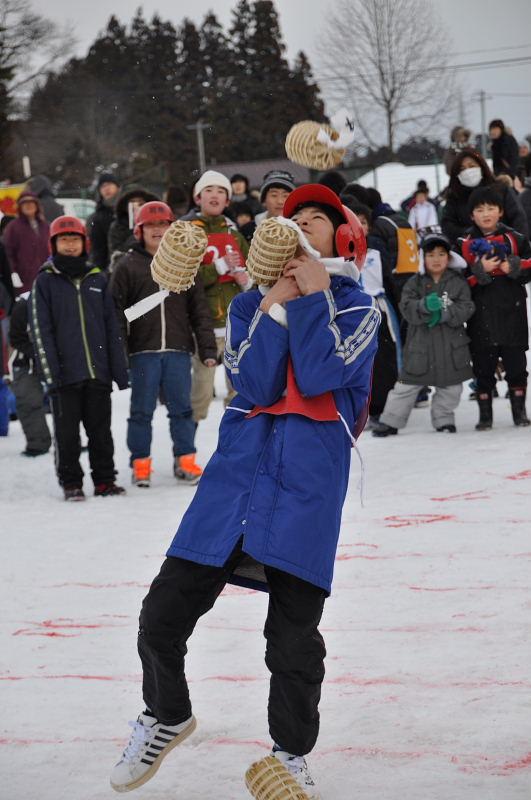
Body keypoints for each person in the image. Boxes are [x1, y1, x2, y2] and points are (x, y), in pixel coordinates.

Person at [110, 183, 379, 799]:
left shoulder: (359, 308)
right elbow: (254, 384)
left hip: (306, 490)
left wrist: (308, 299)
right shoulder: (247, 306)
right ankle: (167, 714)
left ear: (343, 239)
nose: (300, 229)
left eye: (315, 221)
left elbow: (320, 373)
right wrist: (275, 302)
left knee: (291, 642)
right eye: (293, 220)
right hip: (235, 482)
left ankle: (291, 756)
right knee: (161, 614)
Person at [110, 201, 217, 487]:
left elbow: (199, 311)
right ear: (139, 230)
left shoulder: (186, 264)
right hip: (142, 352)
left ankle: (185, 459)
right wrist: (119, 352)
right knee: (141, 411)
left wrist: (207, 349)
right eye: (151, 226)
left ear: (172, 229)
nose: (157, 230)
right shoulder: (127, 266)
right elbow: (115, 313)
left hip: (177, 351)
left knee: (182, 409)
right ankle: (140, 463)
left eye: (163, 224)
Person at [30, 215, 128, 501]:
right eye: (64, 240)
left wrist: (118, 371)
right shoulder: (45, 282)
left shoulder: (97, 278)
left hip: (97, 373)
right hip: (64, 376)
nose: (70, 245)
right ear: (54, 244)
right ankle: (71, 481)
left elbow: (112, 326)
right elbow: (40, 330)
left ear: (84, 243)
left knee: (101, 432)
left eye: (74, 239)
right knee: (67, 435)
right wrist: (51, 373)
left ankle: (105, 480)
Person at [372, 233, 474, 437]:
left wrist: (445, 313)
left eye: (441, 254)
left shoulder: (457, 283)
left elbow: (467, 307)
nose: (436, 259)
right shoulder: (414, 283)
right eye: (431, 254)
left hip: (451, 347)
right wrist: (424, 305)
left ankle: (444, 419)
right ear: (422, 257)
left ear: (449, 257)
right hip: (420, 347)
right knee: (405, 387)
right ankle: (391, 420)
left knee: (451, 387)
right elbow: (406, 307)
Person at [456, 186, 531, 430]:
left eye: (491, 208)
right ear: (472, 215)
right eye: (480, 209)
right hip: (480, 315)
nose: (486, 213)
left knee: (517, 366)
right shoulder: (463, 243)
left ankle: (519, 413)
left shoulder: (515, 239)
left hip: (513, 311)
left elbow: (529, 268)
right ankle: (485, 416)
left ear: (500, 212)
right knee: (483, 368)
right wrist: (479, 271)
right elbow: (457, 281)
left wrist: (516, 268)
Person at [181, 170, 251, 423]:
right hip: (203, 325)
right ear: (198, 197)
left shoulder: (235, 234)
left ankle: (236, 436)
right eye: (209, 190)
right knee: (200, 391)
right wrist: (219, 267)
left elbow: (251, 277)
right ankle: (188, 447)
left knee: (238, 391)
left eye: (221, 191)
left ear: (228, 201)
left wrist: (245, 280)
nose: (215, 195)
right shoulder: (186, 231)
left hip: (235, 324)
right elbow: (183, 278)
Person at [341, 197, 401, 423]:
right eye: (353, 222)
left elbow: (388, 280)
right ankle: (360, 407)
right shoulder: (339, 255)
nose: (359, 226)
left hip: (379, 308)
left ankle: (382, 405)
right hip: (351, 312)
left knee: (384, 357)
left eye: (363, 222)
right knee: (357, 360)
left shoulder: (376, 250)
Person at [441, 149, 528, 245]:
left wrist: (515, 246)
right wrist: (473, 236)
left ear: (481, 167)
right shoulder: (455, 197)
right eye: (462, 169)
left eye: (472, 166)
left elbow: (518, 219)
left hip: (507, 248)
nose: (468, 171)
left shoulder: (502, 190)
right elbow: (448, 226)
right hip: (471, 251)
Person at [8, 293, 52, 456]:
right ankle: (38, 443)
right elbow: (16, 338)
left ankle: (70, 443)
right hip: (25, 360)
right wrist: (38, 353)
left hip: (57, 357)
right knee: (29, 402)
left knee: (67, 403)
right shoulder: (24, 304)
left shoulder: (61, 296)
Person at [3, 192, 50, 294]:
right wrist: (13, 272)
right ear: (20, 207)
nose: (29, 206)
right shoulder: (13, 227)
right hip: (24, 277)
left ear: (37, 205)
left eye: (31, 203)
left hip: (46, 275)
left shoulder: (45, 226)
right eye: (25, 203)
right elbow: (8, 253)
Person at [108, 186, 158, 264]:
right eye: (132, 203)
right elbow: (116, 254)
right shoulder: (117, 227)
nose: (136, 207)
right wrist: (133, 238)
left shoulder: (158, 223)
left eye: (140, 203)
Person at [87, 172, 121, 270]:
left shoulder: (128, 209)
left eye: (109, 184)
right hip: (106, 267)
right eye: (103, 186)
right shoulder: (97, 217)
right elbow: (97, 250)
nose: (106, 188)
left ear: (117, 187)